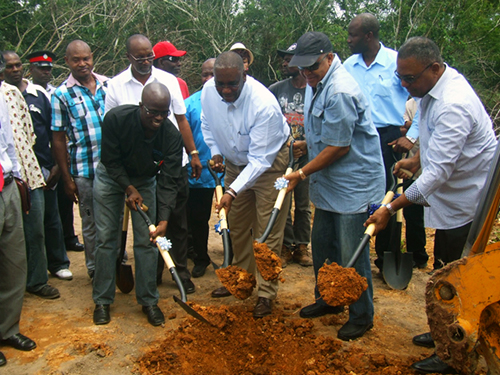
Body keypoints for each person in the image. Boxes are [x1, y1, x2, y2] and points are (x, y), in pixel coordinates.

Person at [365, 36, 497, 374]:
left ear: (435, 68)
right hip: (452, 194)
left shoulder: (453, 102)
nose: (405, 85)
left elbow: (438, 174)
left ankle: (455, 352)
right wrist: (416, 159)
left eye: (410, 78)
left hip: (467, 201)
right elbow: (434, 141)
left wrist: (390, 208)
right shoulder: (431, 90)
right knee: (446, 268)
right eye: (401, 78)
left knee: (457, 275)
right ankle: (443, 332)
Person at [286, 32, 385, 341]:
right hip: (329, 183)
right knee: (324, 243)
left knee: (351, 252)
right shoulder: (318, 83)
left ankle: (361, 314)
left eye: (313, 67)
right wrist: (307, 142)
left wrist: (301, 174)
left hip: (354, 185)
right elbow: (326, 134)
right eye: (302, 69)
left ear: (329, 57)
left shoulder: (340, 89)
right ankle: (328, 299)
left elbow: (339, 147)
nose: (307, 74)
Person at [105, 34, 200, 293]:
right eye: (140, 56)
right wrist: (127, 184)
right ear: (129, 57)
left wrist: (192, 152)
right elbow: (113, 132)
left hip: (170, 159)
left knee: (174, 221)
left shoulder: (169, 81)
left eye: (150, 56)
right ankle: (153, 274)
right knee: (147, 228)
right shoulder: (115, 86)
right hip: (134, 169)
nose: (146, 60)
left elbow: (180, 120)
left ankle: (180, 271)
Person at [201, 51, 290, 318]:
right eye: (221, 84)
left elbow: (260, 160)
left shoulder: (263, 104)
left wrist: (231, 191)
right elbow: (207, 122)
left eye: (233, 84)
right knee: (236, 225)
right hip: (235, 163)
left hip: (270, 165)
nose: (226, 90)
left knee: (267, 232)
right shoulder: (208, 92)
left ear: (245, 76)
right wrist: (216, 150)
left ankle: (266, 293)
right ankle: (241, 279)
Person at [92, 82, 183, 326]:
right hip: (111, 178)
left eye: (164, 112)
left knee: (148, 241)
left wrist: (162, 219)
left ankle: (149, 301)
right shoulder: (116, 119)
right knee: (106, 240)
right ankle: (102, 300)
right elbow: (110, 160)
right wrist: (127, 188)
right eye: (152, 112)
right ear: (141, 106)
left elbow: (169, 180)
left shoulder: (172, 136)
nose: (158, 118)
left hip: (145, 181)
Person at [344, 13, 413, 272]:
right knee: (358, 193)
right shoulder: (348, 67)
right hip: (356, 138)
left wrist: (410, 135)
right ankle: (354, 249)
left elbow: (423, 100)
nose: (349, 40)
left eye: (353, 35)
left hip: (389, 139)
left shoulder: (397, 62)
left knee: (388, 195)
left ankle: (386, 255)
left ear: (369, 36)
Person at [3, 51, 73, 284]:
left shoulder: (38, 94)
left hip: (40, 166)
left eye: (17, 65)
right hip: (15, 170)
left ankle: (58, 263)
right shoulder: (6, 95)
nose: (14, 70)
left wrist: (55, 165)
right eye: (9, 66)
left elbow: (54, 132)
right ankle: (30, 275)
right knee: (24, 226)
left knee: (50, 218)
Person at [51, 40, 109, 279]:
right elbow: (58, 138)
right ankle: (95, 268)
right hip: (84, 169)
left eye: (86, 58)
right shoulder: (61, 94)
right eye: (76, 59)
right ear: (67, 61)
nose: (82, 63)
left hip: (113, 168)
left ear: (92, 57)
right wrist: (67, 178)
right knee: (90, 221)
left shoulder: (108, 84)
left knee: (113, 218)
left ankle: (115, 259)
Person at [27, 50, 85, 253]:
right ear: (31, 69)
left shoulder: (57, 91)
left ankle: (69, 237)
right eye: (41, 69)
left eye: (48, 69)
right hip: (41, 157)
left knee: (65, 200)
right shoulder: (27, 94)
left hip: (61, 156)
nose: (45, 72)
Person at [0, 52, 37, 367]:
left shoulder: (3, 95)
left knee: (14, 264)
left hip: (8, 185)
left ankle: (7, 329)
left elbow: (9, 141)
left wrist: (20, 179)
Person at [269, 43, 312, 267]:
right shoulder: (276, 89)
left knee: (303, 203)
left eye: (289, 59)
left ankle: (302, 246)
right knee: (282, 200)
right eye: (283, 59)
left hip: (307, 155)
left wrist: (308, 144)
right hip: (283, 155)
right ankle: (285, 245)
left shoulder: (315, 89)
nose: (284, 63)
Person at [184, 58, 218, 278]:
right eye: (205, 74)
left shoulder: (232, 100)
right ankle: (200, 257)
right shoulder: (189, 104)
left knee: (233, 219)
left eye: (212, 75)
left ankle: (235, 258)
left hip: (229, 171)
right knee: (198, 218)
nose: (208, 79)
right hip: (199, 172)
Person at [401, 98, 428, 269]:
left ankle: (442, 259)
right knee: (413, 212)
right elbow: (404, 125)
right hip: (411, 164)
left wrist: (413, 126)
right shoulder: (410, 104)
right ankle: (417, 254)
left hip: (435, 164)